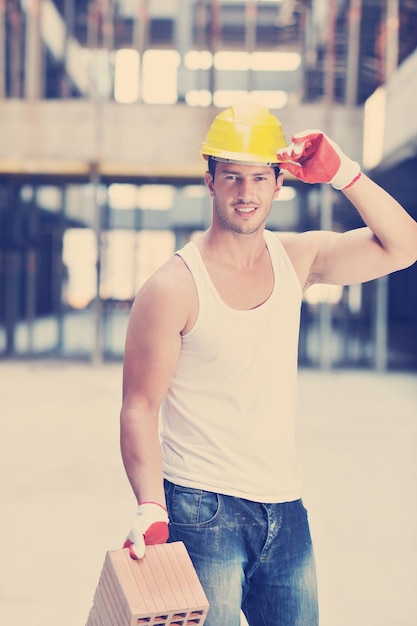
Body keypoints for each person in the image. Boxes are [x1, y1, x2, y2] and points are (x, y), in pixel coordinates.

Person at [120, 102, 417, 626]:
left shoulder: (298, 259)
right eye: (232, 177)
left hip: (285, 507)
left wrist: (344, 173)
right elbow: (140, 407)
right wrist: (150, 506)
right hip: (200, 508)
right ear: (210, 181)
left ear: (280, 183)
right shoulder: (172, 288)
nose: (246, 192)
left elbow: (404, 245)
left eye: (259, 177)